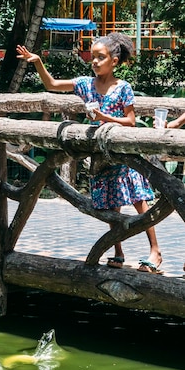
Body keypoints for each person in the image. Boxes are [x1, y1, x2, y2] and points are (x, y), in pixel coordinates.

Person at [16, 33, 163, 273]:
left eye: (100, 57)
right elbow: (52, 85)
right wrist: (37, 62)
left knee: (139, 203)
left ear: (114, 61)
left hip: (124, 157)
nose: (94, 62)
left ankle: (155, 251)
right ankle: (118, 251)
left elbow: (131, 121)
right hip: (100, 158)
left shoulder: (122, 88)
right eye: (93, 57)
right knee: (110, 207)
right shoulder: (85, 84)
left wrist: (104, 118)